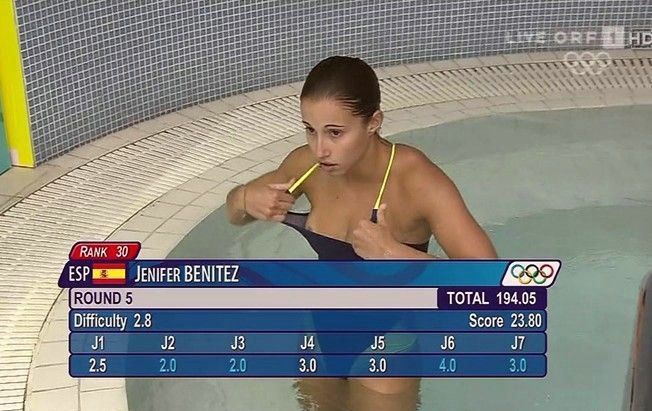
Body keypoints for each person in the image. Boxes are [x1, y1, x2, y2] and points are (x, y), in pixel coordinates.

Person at [226, 55, 497, 410]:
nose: (320, 149)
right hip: (318, 338)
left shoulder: (416, 179)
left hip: (385, 345)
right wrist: (245, 198)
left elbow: (490, 283)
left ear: (373, 123)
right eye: (310, 130)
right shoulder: (307, 167)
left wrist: (395, 254)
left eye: (335, 133)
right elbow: (234, 214)